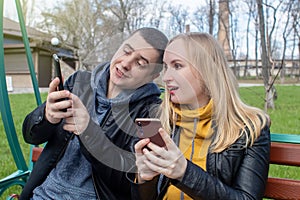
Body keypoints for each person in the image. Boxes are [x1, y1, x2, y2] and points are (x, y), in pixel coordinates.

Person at [20, 27, 168, 200]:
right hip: (43, 194)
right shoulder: (79, 82)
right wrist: (46, 117)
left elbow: (135, 185)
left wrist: (89, 132)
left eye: (140, 63)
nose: (126, 64)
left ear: (153, 76)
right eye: (126, 51)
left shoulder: (153, 114)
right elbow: (30, 136)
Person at [132, 32, 270, 200]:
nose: (166, 77)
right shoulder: (161, 122)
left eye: (177, 66)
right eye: (166, 67)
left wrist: (185, 172)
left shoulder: (249, 127)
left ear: (206, 70)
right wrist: (145, 179)